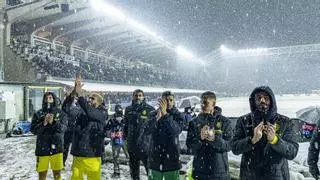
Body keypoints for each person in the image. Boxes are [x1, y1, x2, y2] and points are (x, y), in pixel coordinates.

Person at [231, 86, 299, 180]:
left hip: (277, 176)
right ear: (253, 101)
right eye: (258, 98)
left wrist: (275, 140)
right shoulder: (243, 121)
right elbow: (234, 148)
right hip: (249, 176)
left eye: (266, 98)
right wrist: (252, 140)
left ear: (272, 100)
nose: (262, 100)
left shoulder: (285, 122)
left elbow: (292, 152)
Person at [186, 91, 232, 180]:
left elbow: (229, 145)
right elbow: (189, 146)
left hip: (220, 173)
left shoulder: (225, 122)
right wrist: (200, 138)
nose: (202, 105)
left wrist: (215, 139)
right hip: (200, 172)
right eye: (201, 103)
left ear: (213, 103)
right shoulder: (194, 122)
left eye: (205, 103)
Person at [69, 75, 108, 180]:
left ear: (99, 102)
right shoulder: (82, 111)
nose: (90, 100)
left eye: (93, 98)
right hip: (78, 153)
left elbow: (91, 113)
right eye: (89, 98)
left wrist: (80, 95)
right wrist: (73, 93)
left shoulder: (102, 113)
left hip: (92, 154)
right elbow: (67, 109)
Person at [143, 91, 184, 180]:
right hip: (155, 158)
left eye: (170, 100)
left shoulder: (178, 115)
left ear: (174, 101)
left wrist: (165, 115)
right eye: (166, 100)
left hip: (172, 159)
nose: (168, 102)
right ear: (161, 101)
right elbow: (146, 131)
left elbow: (175, 131)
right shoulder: (153, 114)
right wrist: (156, 118)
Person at [31, 92, 68, 180]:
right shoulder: (39, 113)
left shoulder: (61, 113)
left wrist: (54, 122)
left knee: (57, 174)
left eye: (50, 98)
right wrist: (43, 124)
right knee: (42, 174)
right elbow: (33, 130)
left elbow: (63, 128)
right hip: (42, 148)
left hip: (57, 148)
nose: (48, 100)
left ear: (54, 99)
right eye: (46, 98)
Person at [123, 89, 155, 180]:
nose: (138, 97)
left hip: (146, 146)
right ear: (133, 97)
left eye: (140, 95)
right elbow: (125, 125)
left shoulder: (150, 109)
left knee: (150, 171)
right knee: (134, 173)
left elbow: (153, 127)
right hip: (132, 146)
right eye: (136, 95)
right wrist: (125, 139)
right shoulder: (128, 109)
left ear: (143, 97)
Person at [105, 104, 127, 178]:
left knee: (129, 156)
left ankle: (132, 171)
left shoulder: (125, 119)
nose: (119, 114)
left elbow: (129, 129)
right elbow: (106, 129)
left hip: (124, 140)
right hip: (115, 140)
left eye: (120, 112)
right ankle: (116, 172)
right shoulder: (111, 120)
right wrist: (111, 134)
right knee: (115, 157)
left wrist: (125, 134)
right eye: (118, 112)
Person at [61, 94, 83, 166]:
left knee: (74, 148)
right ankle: (63, 162)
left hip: (75, 130)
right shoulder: (67, 106)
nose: (75, 99)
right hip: (68, 130)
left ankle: (73, 163)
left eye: (76, 97)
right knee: (66, 147)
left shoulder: (79, 107)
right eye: (74, 98)